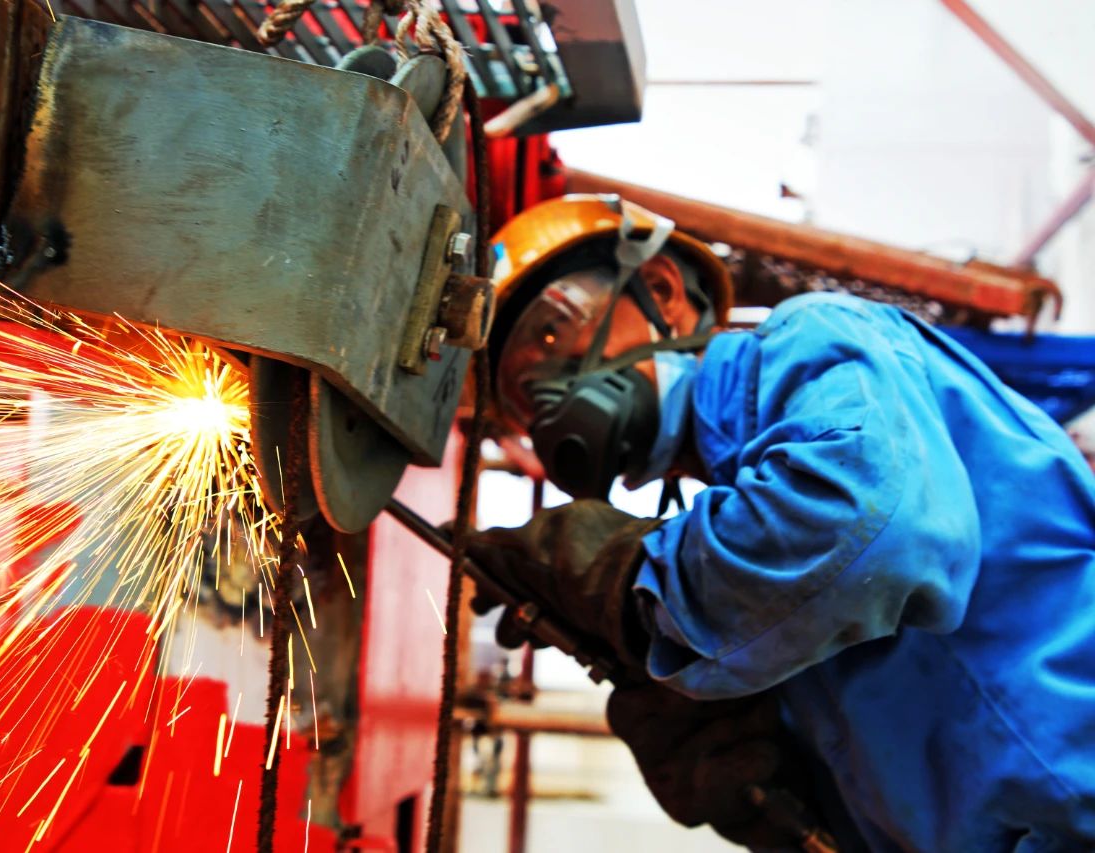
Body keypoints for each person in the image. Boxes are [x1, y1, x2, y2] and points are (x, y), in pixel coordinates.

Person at [467, 194, 1095, 851]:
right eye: (524, 395)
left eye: (551, 335)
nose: (553, 400)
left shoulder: (812, 338)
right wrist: (775, 790)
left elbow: (876, 530)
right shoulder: (753, 593)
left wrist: (635, 589)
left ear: (660, 289)